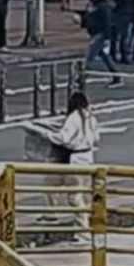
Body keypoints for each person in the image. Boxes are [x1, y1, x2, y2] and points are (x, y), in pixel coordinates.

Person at [38, 91, 99, 236]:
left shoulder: (74, 118)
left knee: (74, 196)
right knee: (53, 183)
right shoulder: (91, 117)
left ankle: (82, 231)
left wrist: (47, 135)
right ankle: (51, 214)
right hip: (87, 158)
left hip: (74, 159)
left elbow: (64, 138)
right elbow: (97, 138)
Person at [82, 0, 121, 86]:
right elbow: (87, 20)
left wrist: (107, 37)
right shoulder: (90, 5)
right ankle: (116, 76)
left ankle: (82, 77)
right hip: (94, 33)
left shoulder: (103, 5)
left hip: (101, 34)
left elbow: (107, 22)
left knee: (90, 56)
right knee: (104, 56)